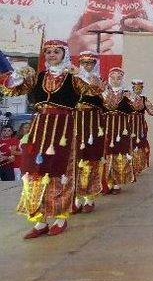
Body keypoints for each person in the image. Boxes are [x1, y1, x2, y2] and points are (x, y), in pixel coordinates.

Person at [0, 40, 101, 238]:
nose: (51, 55)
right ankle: (39, 221)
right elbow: (11, 90)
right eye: (48, 52)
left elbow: (96, 90)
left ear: (64, 54)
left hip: (62, 129)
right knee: (34, 171)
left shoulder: (73, 77)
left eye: (56, 52)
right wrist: (17, 76)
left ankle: (60, 218)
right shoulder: (39, 76)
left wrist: (80, 72)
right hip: (39, 127)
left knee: (59, 171)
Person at [72, 51, 106, 213]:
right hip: (75, 122)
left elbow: (107, 102)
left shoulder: (100, 82)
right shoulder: (73, 79)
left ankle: (89, 198)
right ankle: (75, 198)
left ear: (95, 64)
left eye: (90, 63)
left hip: (93, 123)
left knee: (90, 158)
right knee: (73, 159)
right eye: (84, 62)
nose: (87, 66)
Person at [102, 67, 134, 195]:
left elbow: (136, 108)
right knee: (105, 153)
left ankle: (115, 182)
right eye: (113, 77)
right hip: (106, 127)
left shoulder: (127, 94)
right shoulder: (103, 93)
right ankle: (104, 182)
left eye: (119, 77)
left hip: (122, 129)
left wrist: (131, 98)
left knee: (119, 153)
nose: (116, 80)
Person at [127, 79, 153, 176]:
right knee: (128, 144)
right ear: (132, 88)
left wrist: (149, 106)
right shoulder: (127, 98)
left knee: (139, 144)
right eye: (136, 87)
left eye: (140, 88)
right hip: (128, 126)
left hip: (140, 126)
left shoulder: (144, 99)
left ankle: (138, 165)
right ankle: (128, 165)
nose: (138, 90)